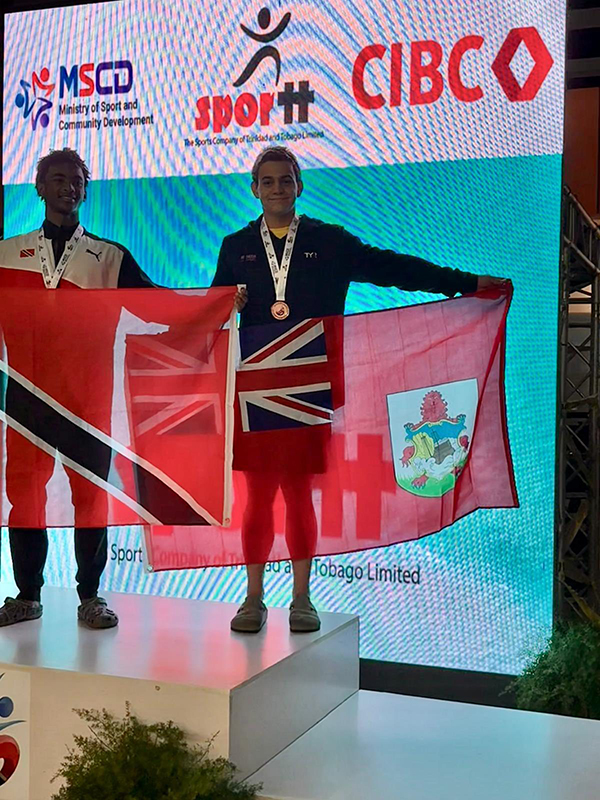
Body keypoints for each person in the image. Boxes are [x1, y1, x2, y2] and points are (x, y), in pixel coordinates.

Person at [212, 145, 507, 635]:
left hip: (308, 385)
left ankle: (301, 598)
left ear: (299, 185)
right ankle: (252, 598)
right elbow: (211, 306)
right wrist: (228, 301)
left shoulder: (329, 241)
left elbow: (396, 269)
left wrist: (466, 283)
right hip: (257, 388)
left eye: (285, 180)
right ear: (254, 189)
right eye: (267, 181)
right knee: (258, 497)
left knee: (299, 494)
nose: (277, 188)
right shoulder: (235, 246)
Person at [0, 147, 153, 629]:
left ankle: (91, 596)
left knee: (90, 496)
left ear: (85, 192)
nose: (68, 187)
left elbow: (159, 306)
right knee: (25, 496)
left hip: (87, 401)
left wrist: (219, 302)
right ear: (39, 187)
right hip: (27, 400)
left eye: (77, 181)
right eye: (58, 178)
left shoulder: (109, 257)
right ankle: (27, 595)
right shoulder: (6, 254)